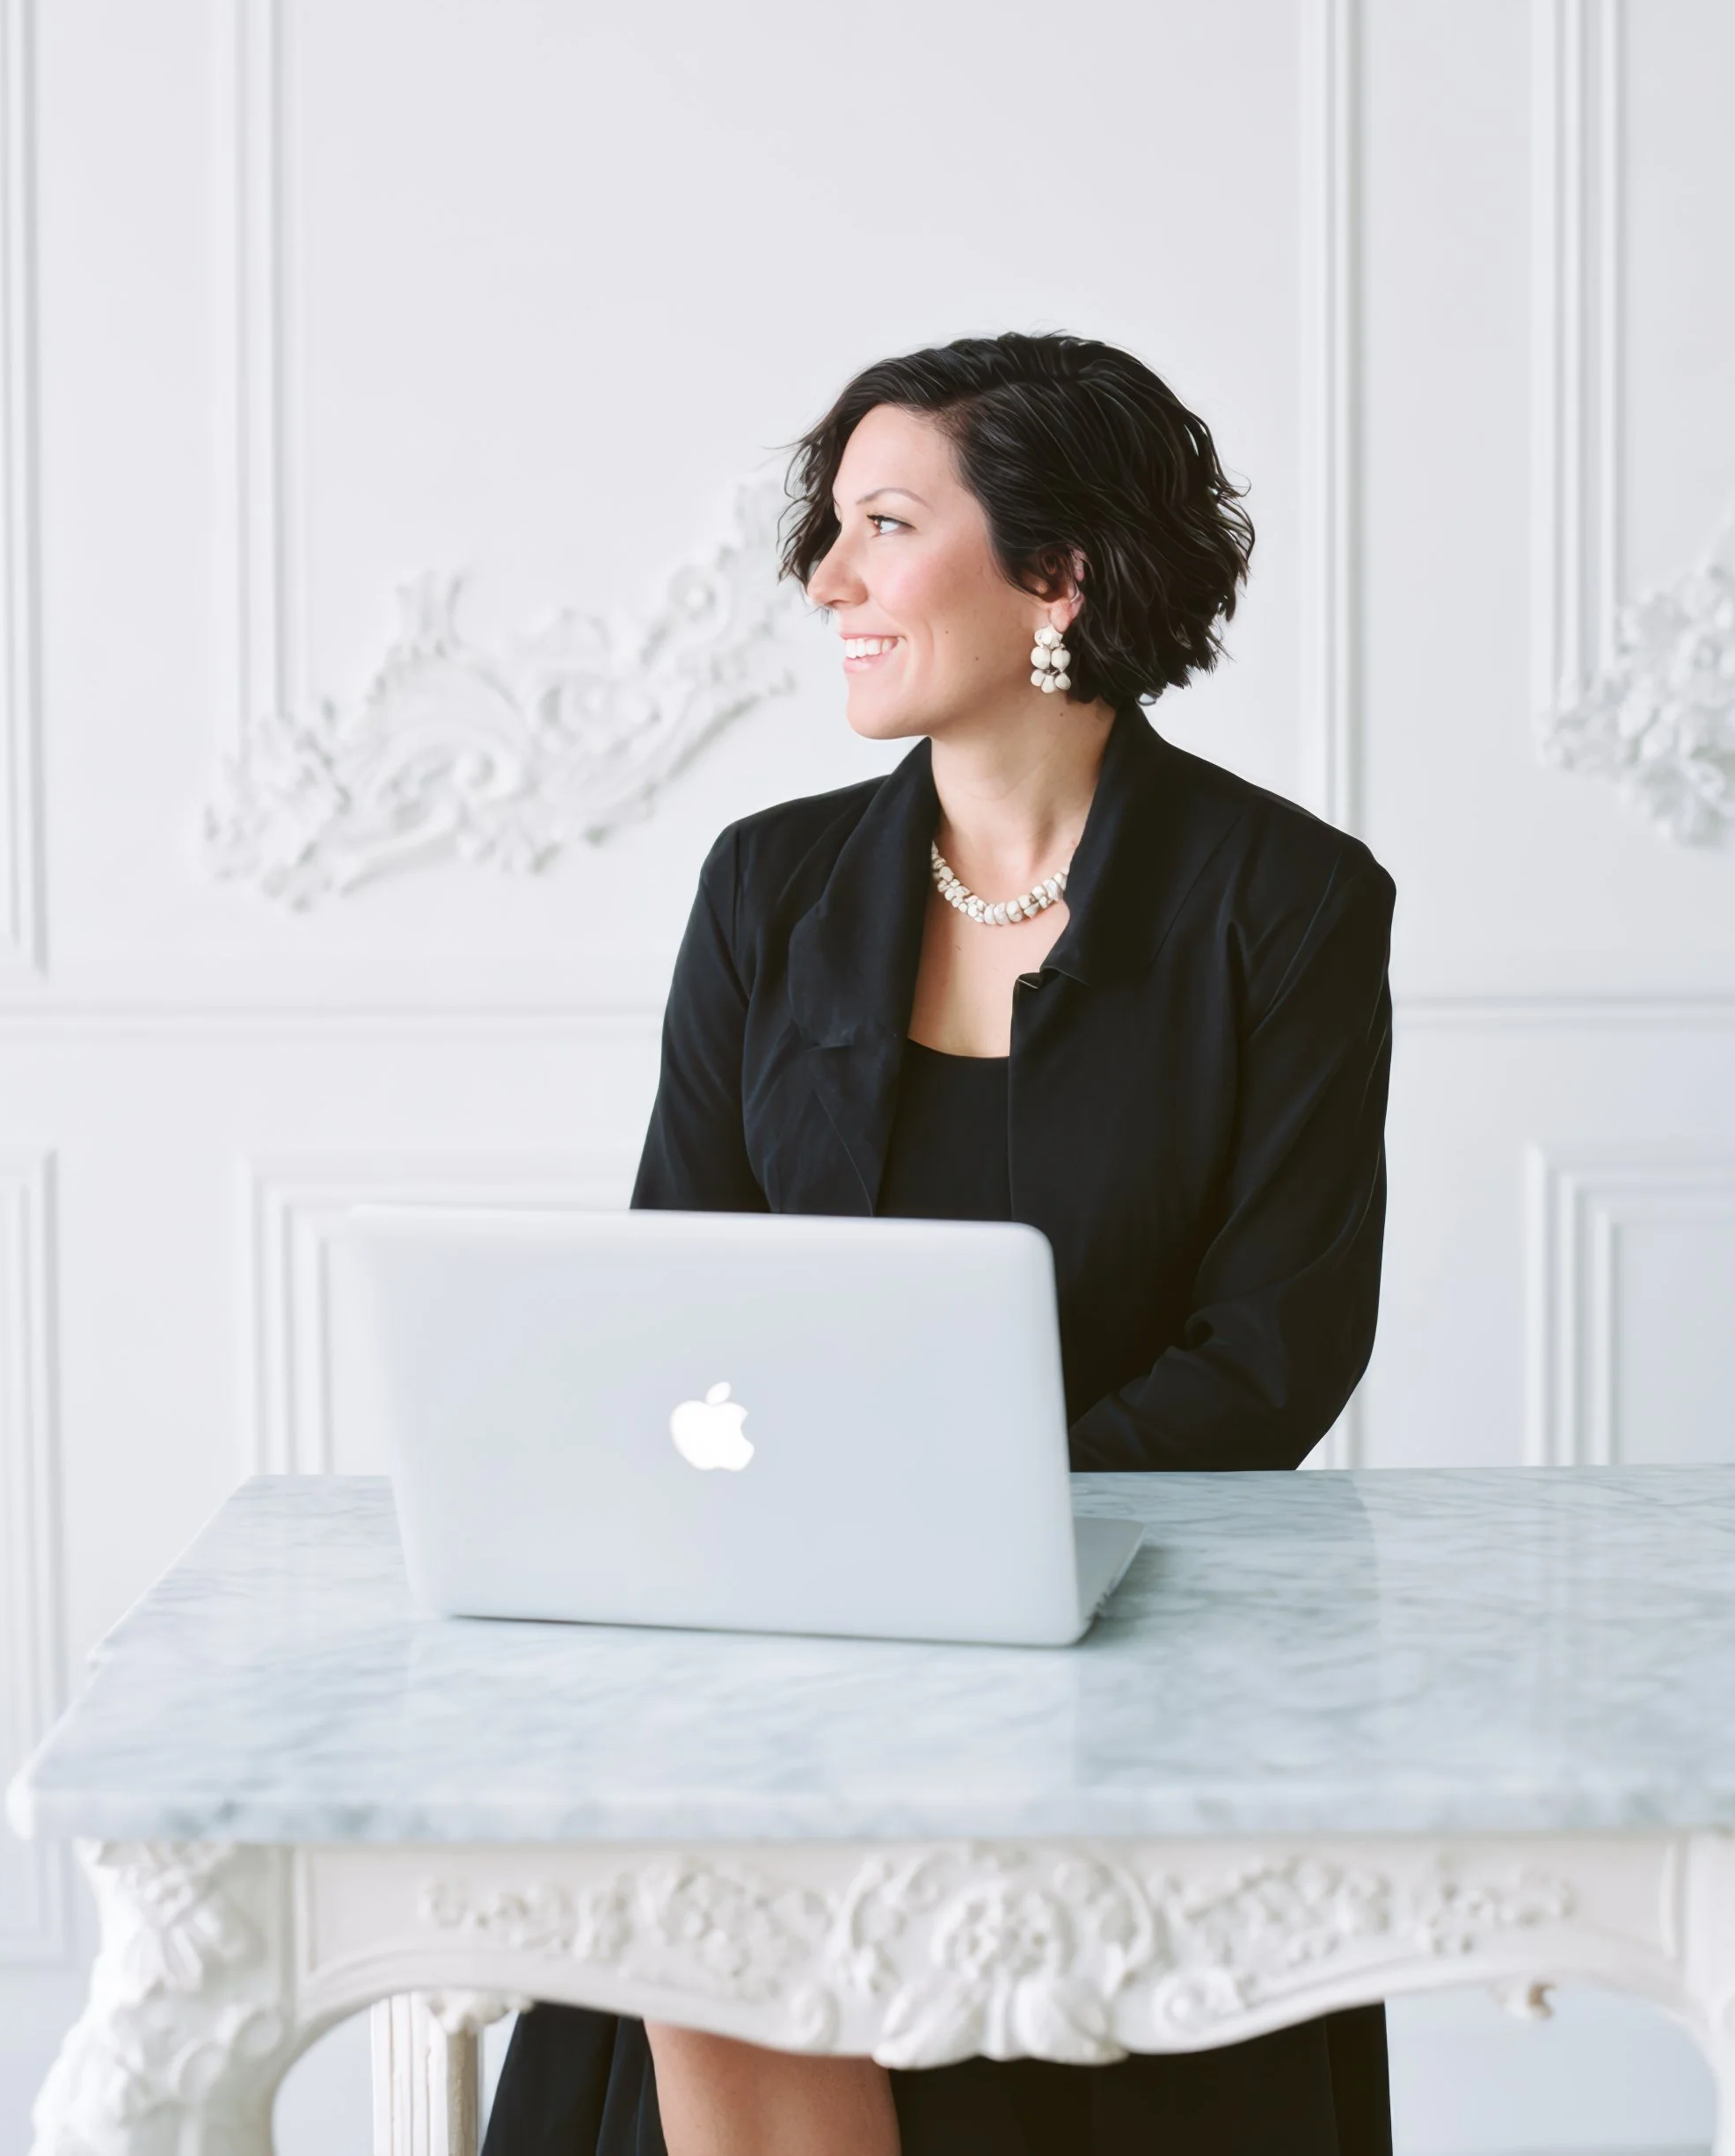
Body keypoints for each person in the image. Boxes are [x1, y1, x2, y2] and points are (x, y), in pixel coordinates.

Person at [483, 331, 1398, 2156]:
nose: (827, 578)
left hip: (1141, 1666)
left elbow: (1273, 1355)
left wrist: (961, 1537)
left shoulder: (1287, 900)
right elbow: (680, 1292)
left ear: (1057, 575)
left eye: (885, 526)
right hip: (792, 1652)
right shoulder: (767, 884)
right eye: (831, 527)